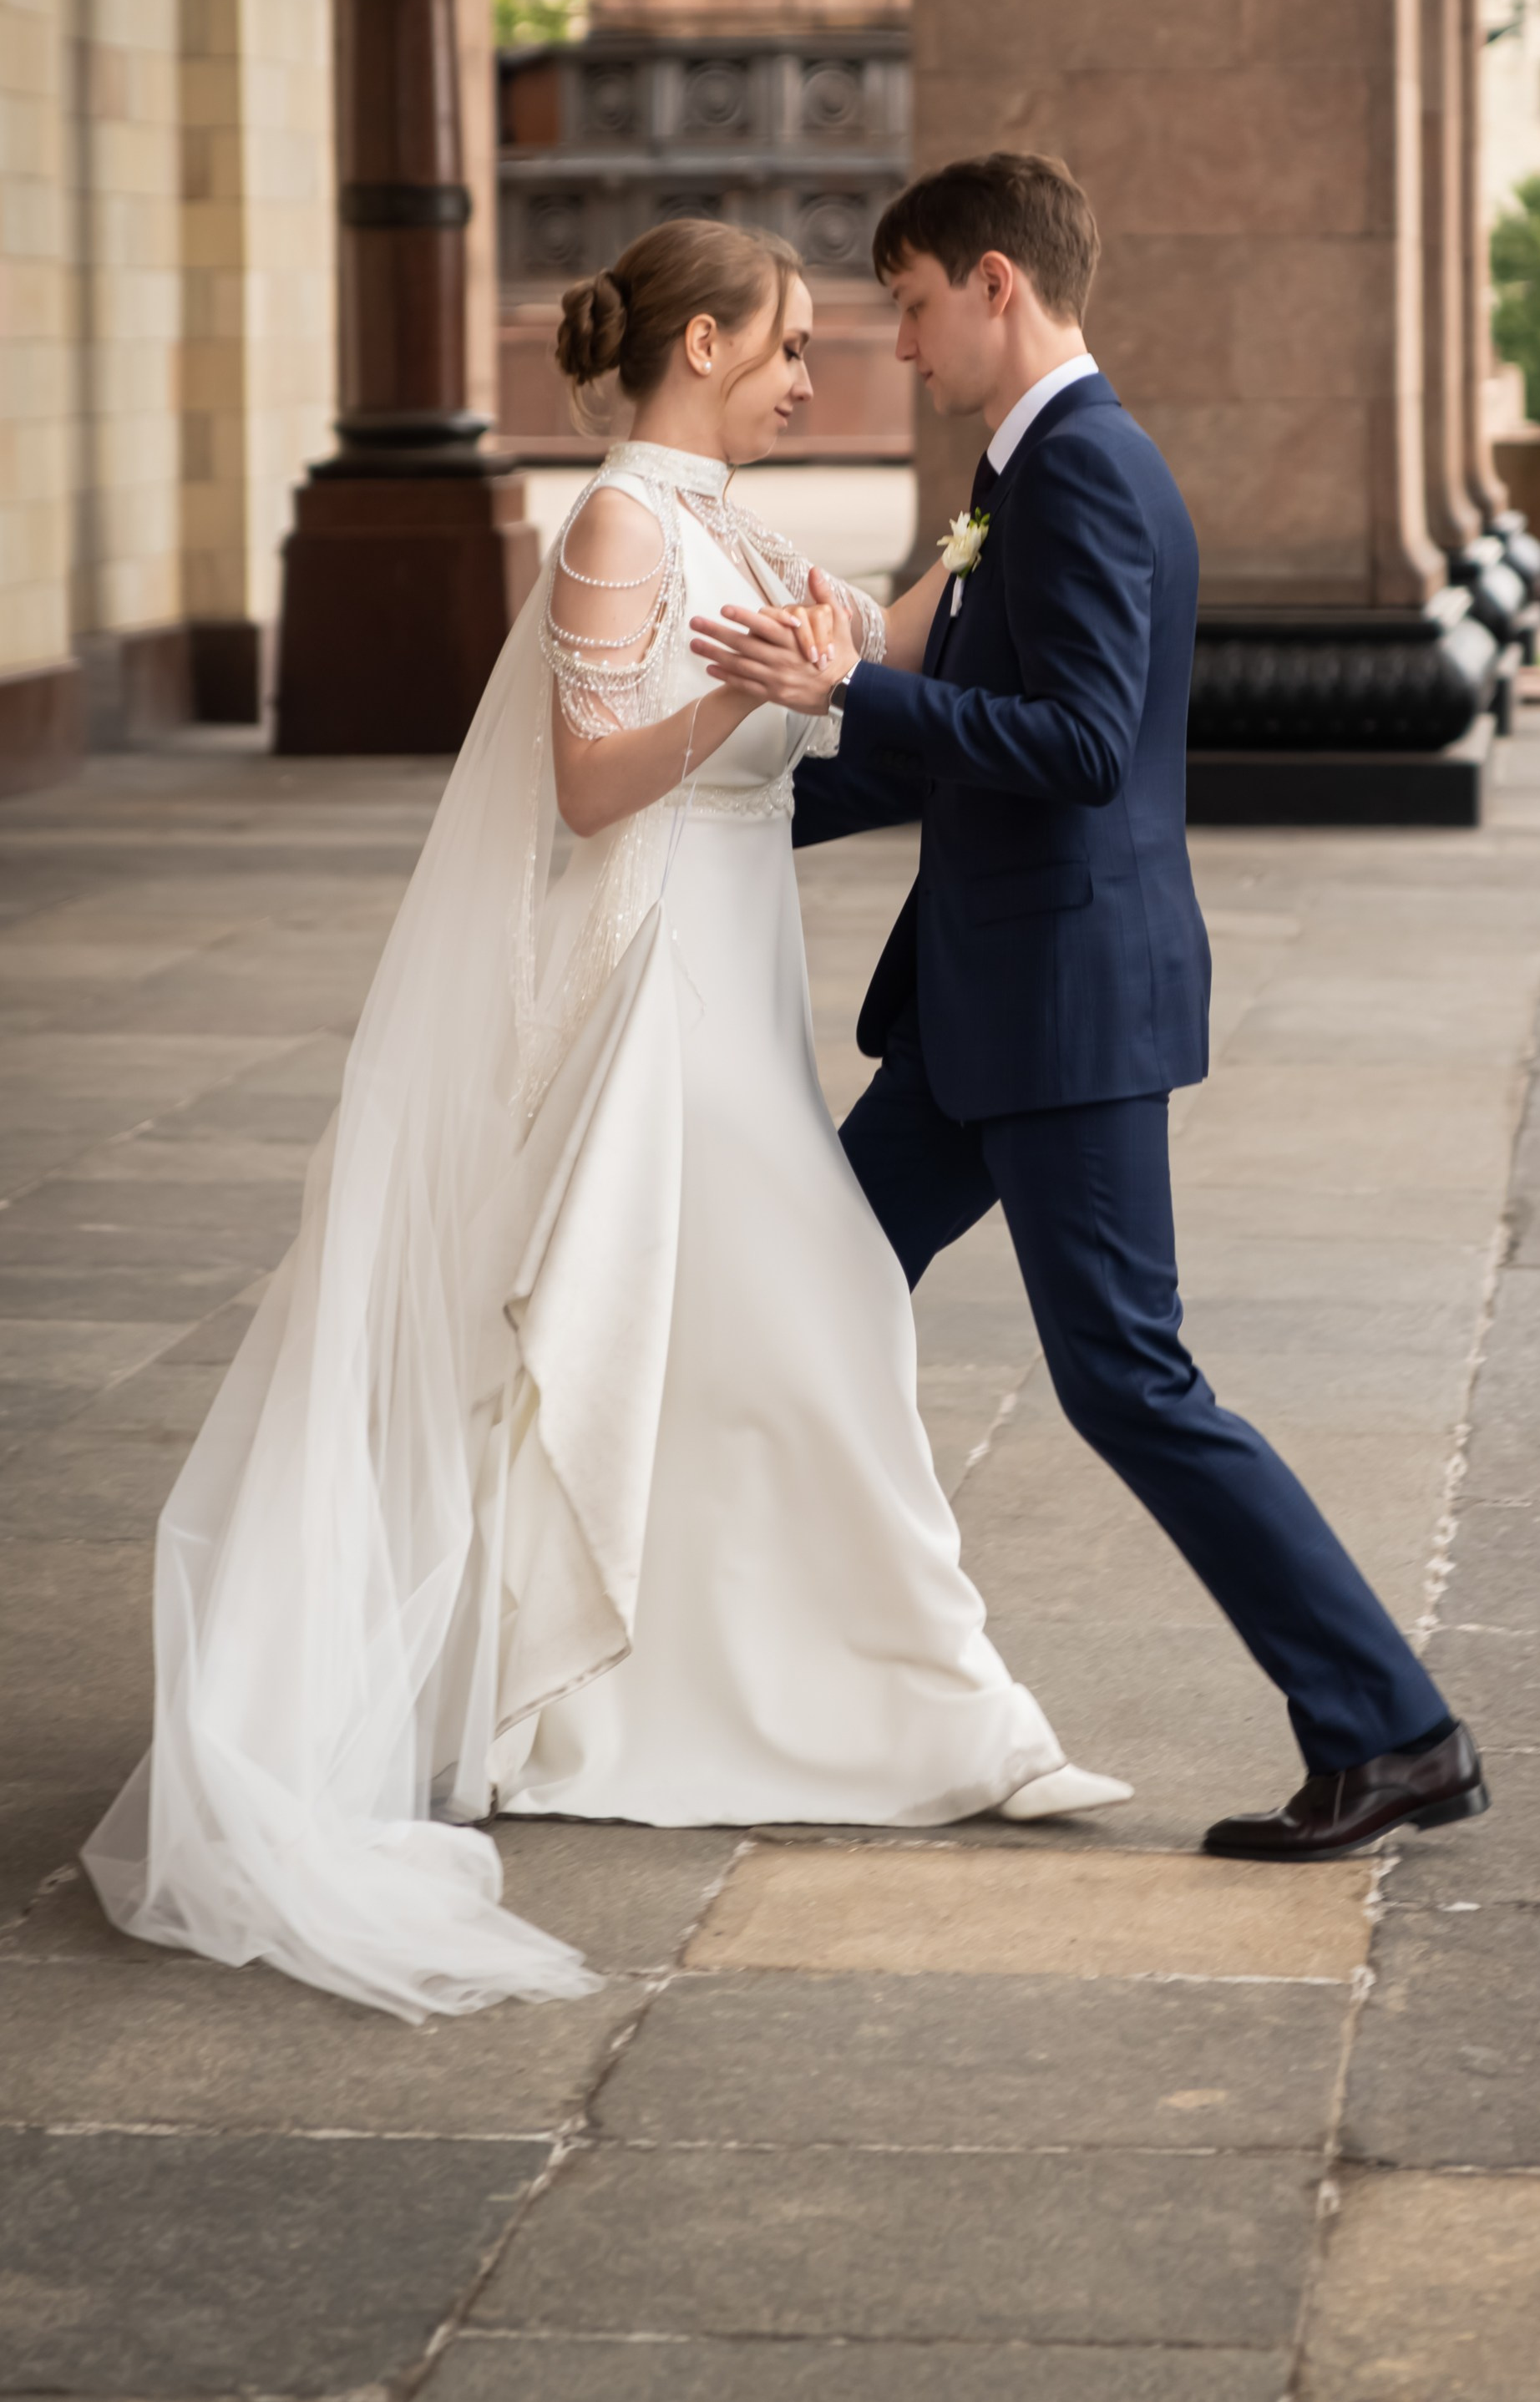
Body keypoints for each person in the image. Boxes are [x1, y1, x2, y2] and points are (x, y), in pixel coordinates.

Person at [82, 217, 1122, 2024]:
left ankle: (767, 1695)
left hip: (737, 979)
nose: (811, 377)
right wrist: (743, 691)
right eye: (789, 345)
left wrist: (980, 533)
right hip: (659, 991)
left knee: (740, 1338)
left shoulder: (720, 517)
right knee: (815, 1317)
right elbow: (582, 787)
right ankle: (935, 1716)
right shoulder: (623, 522)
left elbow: (857, 654)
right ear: (706, 340)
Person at [696, 155, 1489, 1863]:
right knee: (796, 1288)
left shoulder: (1087, 473)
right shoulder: (1021, 473)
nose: (897, 343)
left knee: (1128, 1374)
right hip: (986, 1008)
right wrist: (726, 814)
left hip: (1060, 1011)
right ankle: (763, 1675)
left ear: (996, 284)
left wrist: (853, 687)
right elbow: (958, 754)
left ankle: (1393, 1728)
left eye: (908, 305)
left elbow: (1070, 747)